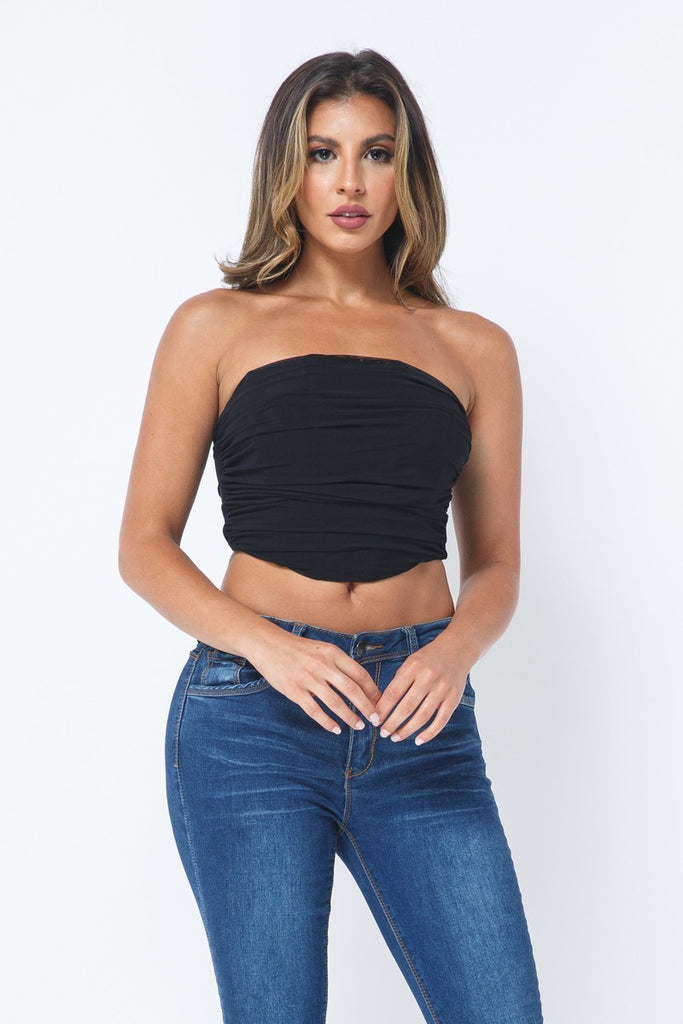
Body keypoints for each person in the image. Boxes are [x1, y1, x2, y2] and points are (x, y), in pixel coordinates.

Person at [118, 47, 545, 1024]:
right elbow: (143, 543)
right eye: (322, 153)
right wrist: (269, 646)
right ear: (288, 169)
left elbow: (495, 562)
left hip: (420, 721)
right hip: (252, 720)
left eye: (375, 153)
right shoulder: (216, 327)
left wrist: (452, 653)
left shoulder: (473, 347)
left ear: (407, 172)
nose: (349, 181)